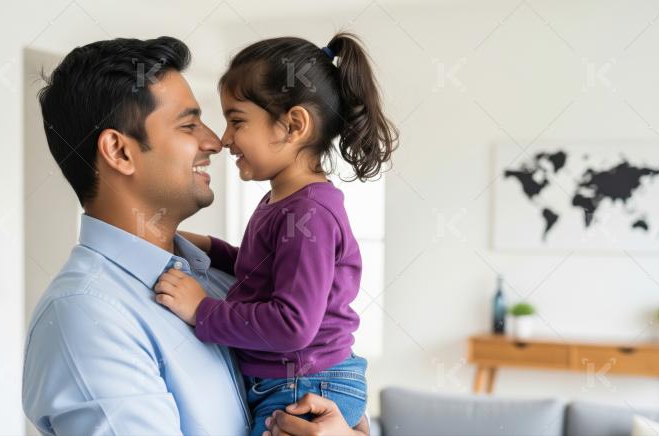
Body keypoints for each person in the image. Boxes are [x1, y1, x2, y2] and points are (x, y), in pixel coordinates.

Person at [22, 35, 368, 435]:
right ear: (119, 152)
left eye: (232, 121)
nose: (215, 141)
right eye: (189, 125)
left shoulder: (223, 283)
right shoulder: (85, 318)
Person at [151, 33, 398, 436]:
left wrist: (202, 310)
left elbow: (292, 324)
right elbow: (265, 270)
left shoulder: (309, 214)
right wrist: (213, 249)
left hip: (305, 386)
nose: (224, 139)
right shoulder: (286, 202)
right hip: (297, 380)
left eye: (237, 121)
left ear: (294, 125)